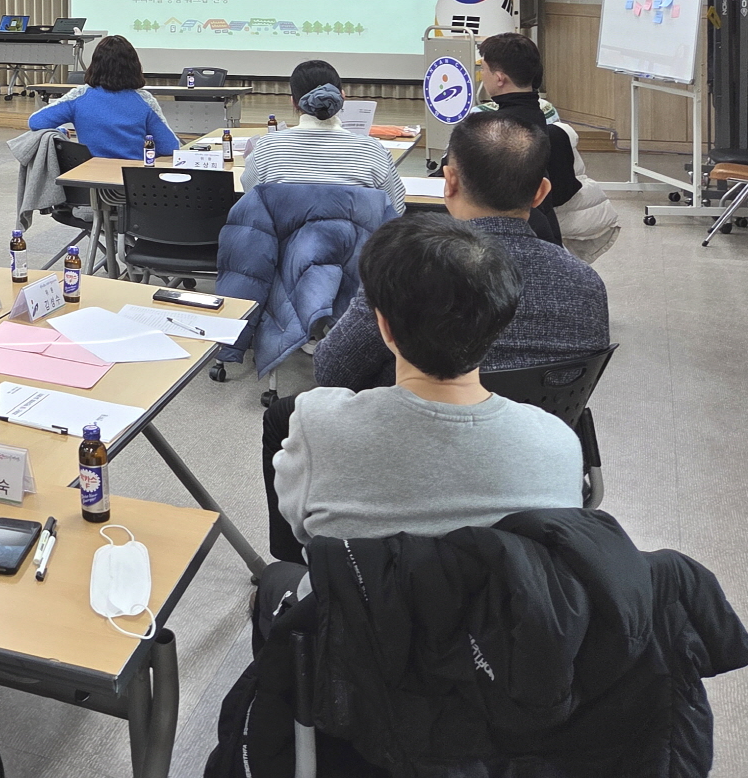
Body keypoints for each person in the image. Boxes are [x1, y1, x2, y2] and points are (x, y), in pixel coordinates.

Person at [266, 111, 608, 562]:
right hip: (528, 462)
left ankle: (291, 568)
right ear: (542, 192)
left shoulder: (408, 270)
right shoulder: (586, 285)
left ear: (449, 181)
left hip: (400, 452)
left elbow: (333, 370)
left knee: (286, 414)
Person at [273, 214, 585, 554]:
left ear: (384, 327)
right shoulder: (560, 444)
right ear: (500, 322)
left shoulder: (317, 423)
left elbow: (299, 528)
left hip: (354, 588)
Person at [477, 32, 620, 261]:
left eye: (483, 69)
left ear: (500, 78)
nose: (482, 75)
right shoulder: (547, 124)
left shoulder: (489, 132)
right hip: (549, 239)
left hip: (508, 248)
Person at [240, 59, 406, 213]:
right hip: (356, 237)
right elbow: (395, 210)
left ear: (293, 102)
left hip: (284, 236)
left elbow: (251, 202)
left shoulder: (266, 148)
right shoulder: (372, 151)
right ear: (342, 97)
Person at [26, 35, 180, 161]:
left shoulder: (79, 96)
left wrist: (60, 132)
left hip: (89, 181)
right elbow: (169, 147)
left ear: (95, 65)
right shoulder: (145, 100)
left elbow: (36, 122)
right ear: (134, 67)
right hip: (131, 182)